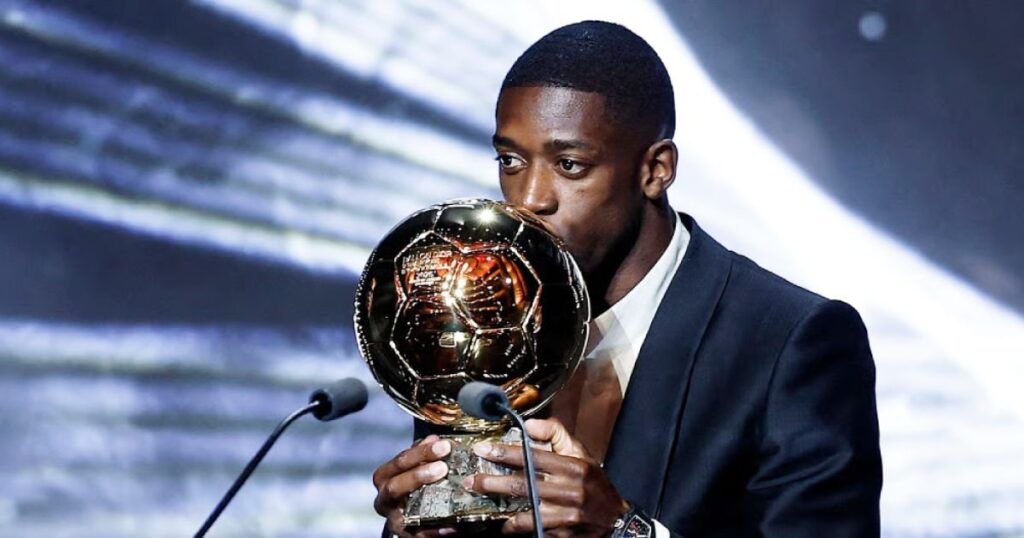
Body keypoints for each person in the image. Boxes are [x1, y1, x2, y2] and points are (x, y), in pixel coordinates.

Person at [372, 20, 882, 537]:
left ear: (656, 170)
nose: (529, 200)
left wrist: (623, 530)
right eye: (511, 160)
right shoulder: (477, 317)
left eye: (569, 165)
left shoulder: (792, 342)